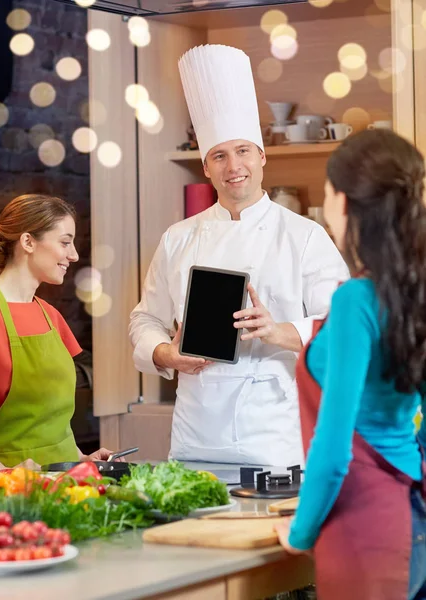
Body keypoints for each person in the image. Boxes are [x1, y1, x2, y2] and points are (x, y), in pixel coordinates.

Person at [129, 44, 348, 466]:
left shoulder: (305, 235)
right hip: (196, 432)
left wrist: (277, 329)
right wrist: (164, 353)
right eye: (219, 155)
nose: (234, 166)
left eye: (244, 151)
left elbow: (340, 326)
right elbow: (146, 318)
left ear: (262, 157)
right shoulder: (178, 238)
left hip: (275, 434)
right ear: (206, 167)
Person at [275, 129, 426, 600]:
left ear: (343, 202)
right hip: (411, 513)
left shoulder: (356, 301)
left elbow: (334, 447)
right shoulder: (414, 295)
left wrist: (300, 532)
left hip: (362, 527)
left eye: (326, 193)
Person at [0, 194, 118, 475]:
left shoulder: (49, 315)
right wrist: (0, 473)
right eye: (65, 242)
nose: (74, 255)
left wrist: (81, 458)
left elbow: (48, 415)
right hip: (7, 489)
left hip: (63, 478)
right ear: (28, 242)